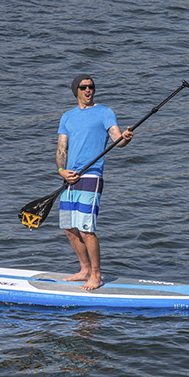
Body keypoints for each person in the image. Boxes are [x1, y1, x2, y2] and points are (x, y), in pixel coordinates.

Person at [56, 75, 135, 290]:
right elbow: (62, 148)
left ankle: (96, 275)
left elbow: (117, 139)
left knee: (86, 228)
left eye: (91, 87)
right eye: (84, 87)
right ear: (77, 91)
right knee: (69, 227)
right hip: (70, 179)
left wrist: (125, 138)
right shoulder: (67, 117)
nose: (88, 90)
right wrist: (62, 171)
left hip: (91, 176)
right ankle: (84, 270)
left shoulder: (104, 112)